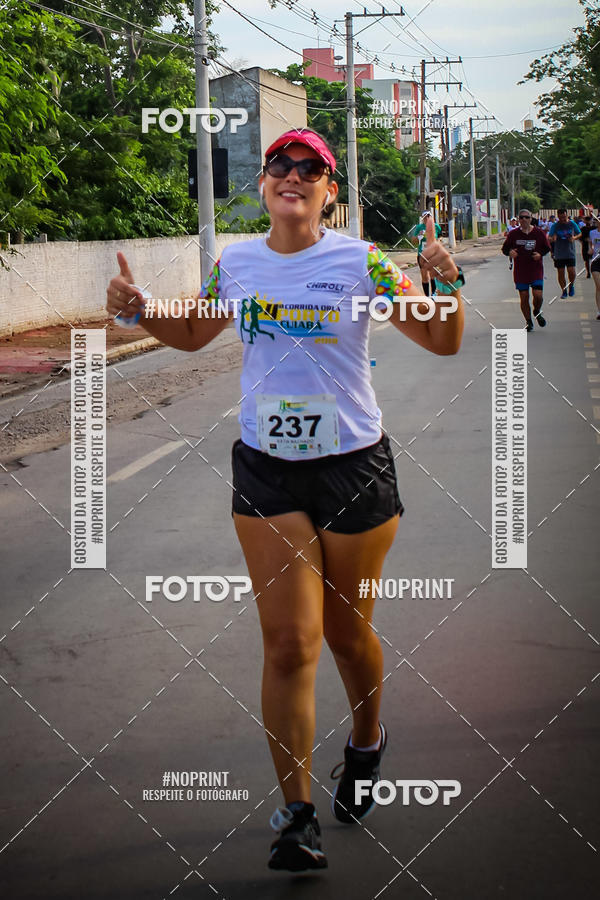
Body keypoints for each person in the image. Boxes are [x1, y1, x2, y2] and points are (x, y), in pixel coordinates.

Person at [106, 127, 465, 872]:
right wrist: (140, 311)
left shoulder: (361, 259)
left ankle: (367, 742)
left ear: (330, 190)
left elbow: (444, 342)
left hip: (355, 468)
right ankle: (294, 814)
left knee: (345, 633)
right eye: (280, 165)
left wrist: (446, 282)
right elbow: (197, 331)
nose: (292, 175)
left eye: (310, 168)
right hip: (267, 470)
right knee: (290, 642)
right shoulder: (235, 262)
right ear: (265, 184)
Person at [502, 209, 551, 332]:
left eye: (526, 217)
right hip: (521, 271)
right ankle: (528, 321)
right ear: (518, 219)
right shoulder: (513, 234)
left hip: (536, 270)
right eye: (521, 217)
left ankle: (537, 311)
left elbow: (547, 248)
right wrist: (510, 252)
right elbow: (505, 249)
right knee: (524, 297)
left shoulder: (539, 233)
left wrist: (540, 254)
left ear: (530, 219)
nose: (524, 219)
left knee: (538, 296)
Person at [549, 209, 581, 297]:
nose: (562, 219)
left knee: (571, 271)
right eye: (560, 217)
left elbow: (579, 233)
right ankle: (564, 290)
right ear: (558, 217)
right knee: (561, 272)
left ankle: (571, 285)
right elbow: (549, 236)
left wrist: (574, 238)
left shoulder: (571, 223)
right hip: (559, 253)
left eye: (564, 217)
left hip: (570, 251)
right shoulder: (555, 225)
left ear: (567, 215)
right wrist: (553, 238)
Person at [414, 210, 442, 296]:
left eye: (429, 216)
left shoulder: (436, 226)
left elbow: (440, 236)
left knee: (433, 274)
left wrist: (438, 241)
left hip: (433, 254)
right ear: (423, 218)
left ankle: (433, 294)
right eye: (426, 217)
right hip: (422, 255)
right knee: (425, 276)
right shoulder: (419, 227)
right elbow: (414, 241)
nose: (428, 218)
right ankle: (427, 296)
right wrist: (419, 235)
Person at [588, 220, 600, 319]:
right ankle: (599, 311)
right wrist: (590, 249)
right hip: (596, 261)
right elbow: (591, 244)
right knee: (598, 286)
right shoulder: (592, 233)